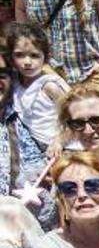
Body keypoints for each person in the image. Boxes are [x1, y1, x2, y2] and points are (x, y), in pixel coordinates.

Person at [8, 22, 68, 153]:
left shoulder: (49, 86)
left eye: (34, 55)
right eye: (19, 55)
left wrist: (59, 141)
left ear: (45, 58)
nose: (27, 62)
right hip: (33, 148)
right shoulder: (14, 82)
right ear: (11, 58)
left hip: (59, 147)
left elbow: (71, 115)